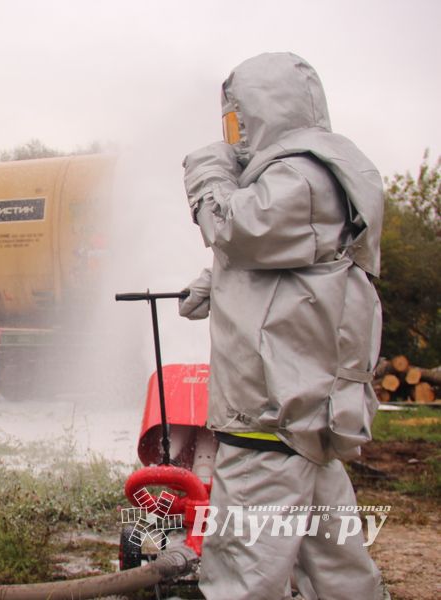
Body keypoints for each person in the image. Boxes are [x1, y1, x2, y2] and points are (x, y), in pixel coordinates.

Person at [178, 52, 386, 599]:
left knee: (242, 577)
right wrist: (215, 280)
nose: (232, 137)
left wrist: (206, 171)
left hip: (268, 418)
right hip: (302, 421)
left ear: (260, 114)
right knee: (335, 572)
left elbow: (240, 228)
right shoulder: (317, 171)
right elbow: (294, 261)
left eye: (235, 122)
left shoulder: (300, 172)